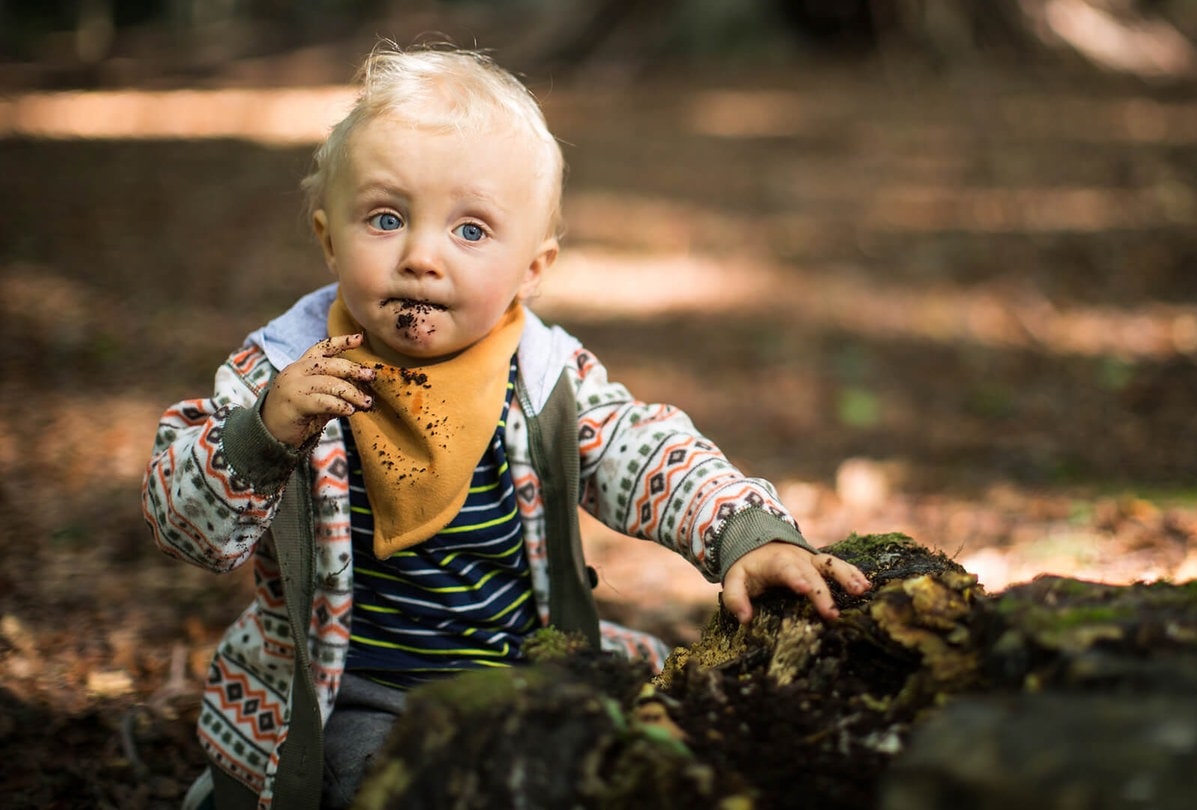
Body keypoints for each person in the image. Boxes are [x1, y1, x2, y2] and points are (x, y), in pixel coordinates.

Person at [142, 42, 871, 810]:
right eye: (386, 218)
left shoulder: (544, 377)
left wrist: (745, 535)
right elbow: (179, 522)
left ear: (532, 268)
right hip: (357, 693)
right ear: (329, 239)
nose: (422, 258)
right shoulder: (286, 376)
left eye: (471, 231)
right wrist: (262, 435)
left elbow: (649, 453)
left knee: (654, 735)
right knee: (396, 785)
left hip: (525, 669)